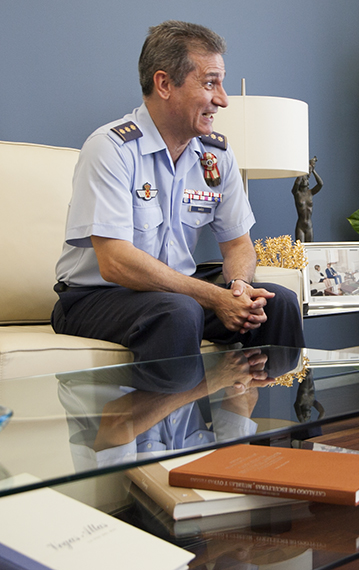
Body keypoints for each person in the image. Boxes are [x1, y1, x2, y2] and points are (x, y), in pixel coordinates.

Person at [52, 20, 304, 369]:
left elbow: (238, 245)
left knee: (278, 303)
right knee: (179, 310)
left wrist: (239, 288)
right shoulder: (111, 148)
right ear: (165, 83)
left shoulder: (216, 156)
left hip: (173, 293)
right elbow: (115, 262)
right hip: (95, 297)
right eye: (210, 83)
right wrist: (214, 297)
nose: (223, 99)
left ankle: (278, 422)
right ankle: (176, 424)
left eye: (222, 83)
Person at [291, 156, 323, 242]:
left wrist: (313, 170)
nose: (306, 180)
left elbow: (320, 184)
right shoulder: (297, 193)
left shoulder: (311, 193)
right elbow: (296, 184)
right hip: (301, 226)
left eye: (306, 179)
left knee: (310, 250)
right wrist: (302, 172)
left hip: (309, 226)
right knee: (300, 251)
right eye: (303, 179)